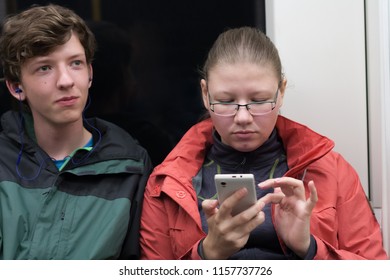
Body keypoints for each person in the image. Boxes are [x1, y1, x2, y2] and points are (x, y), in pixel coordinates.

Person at [139, 26, 388, 260]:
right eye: (225, 101)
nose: (243, 117)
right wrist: (207, 253)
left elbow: (374, 269)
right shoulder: (166, 183)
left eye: (259, 100)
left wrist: (309, 247)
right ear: (205, 94)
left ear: (281, 92)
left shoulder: (331, 171)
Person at [0, 4, 152, 259]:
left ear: (90, 74)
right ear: (16, 87)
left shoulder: (130, 166)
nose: (66, 80)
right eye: (45, 68)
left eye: (75, 63)